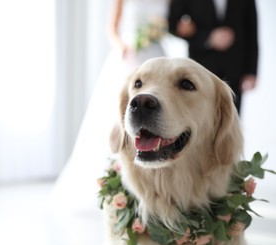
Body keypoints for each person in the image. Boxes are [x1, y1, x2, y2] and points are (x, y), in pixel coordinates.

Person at [50, 0, 170, 212]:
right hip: (129, 55)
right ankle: (116, 187)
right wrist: (123, 46)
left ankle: (154, 187)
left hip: (156, 55)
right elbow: (112, 29)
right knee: (117, 119)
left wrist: (159, 31)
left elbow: (175, 23)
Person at [168, 0, 258, 114]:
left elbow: (252, 31)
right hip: (201, 68)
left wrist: (251, 71)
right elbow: (173, 25)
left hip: (235, 69)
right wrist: (208, 38)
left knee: (232, 119)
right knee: (201, 119)